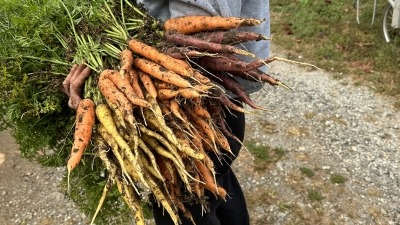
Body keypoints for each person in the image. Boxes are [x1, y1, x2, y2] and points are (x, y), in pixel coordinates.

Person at [63, 1, 270, 224]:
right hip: (207, 102)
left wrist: (96, 80)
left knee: (183, 202)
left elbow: (200, 42)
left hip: (189, 110)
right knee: (216, 183)